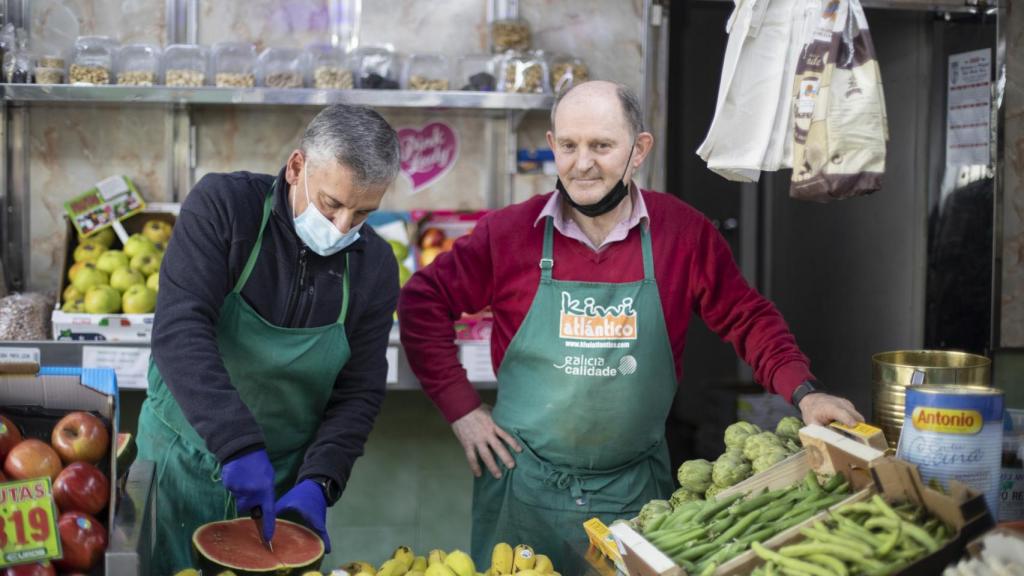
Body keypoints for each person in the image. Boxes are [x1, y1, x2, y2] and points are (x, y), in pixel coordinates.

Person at [398, 81, 863, 568]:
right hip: (520, 487)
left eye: (601, 146)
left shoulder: (681, 233)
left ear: (638, 150)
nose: (582, 164)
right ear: (552, 145)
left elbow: (748, 318)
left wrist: (804, 392)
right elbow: (423, 300)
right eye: (569, 146)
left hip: (635, 492)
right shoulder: (510, 233)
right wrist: (462, 409)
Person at [137, 104, 401, 573]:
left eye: (363, 213)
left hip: (282, 483)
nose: (343, 227)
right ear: (297, 167)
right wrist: (237, 444)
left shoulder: (375, 266)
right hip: (180, 461)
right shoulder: (224, 207)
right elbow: (180, 330)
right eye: (331, 204)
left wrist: (321, 480)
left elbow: (358, 392)